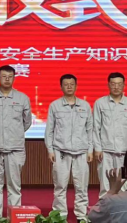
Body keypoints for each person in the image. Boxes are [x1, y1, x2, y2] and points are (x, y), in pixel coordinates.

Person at [0, 65, 33, 217]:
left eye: (10, 76)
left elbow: (27, 122)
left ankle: (13, 214)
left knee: (14, 184)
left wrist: (15, 134)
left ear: (14, 78)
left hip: (15, 148)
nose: (7, 79)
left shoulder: (22, 98)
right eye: (4, 76)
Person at [45, 74, 94, 222]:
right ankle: (60, 216)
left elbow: (90, 129)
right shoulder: (55, 105)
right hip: (61, 151)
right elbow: (49, 130)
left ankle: (81, 216)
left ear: (76, 86)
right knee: (60, 186)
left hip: (81, 152)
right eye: (66, 84)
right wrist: (50, 150)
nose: (69, 87)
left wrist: (90, 150)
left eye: (72, 84)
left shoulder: (85, 106)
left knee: (82, 187)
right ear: (61, 87)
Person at [93, 73, 127, 197]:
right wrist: (97, 148)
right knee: (105, 183)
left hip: (125, 152)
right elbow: (95, 127)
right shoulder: (100, 103)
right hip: (105, 151)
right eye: (113, 84)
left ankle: (123, 206)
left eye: (119, 84)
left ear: (124, 85)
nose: (116, 87)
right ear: (108, 85)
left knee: (124, 182)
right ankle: (104, 206)